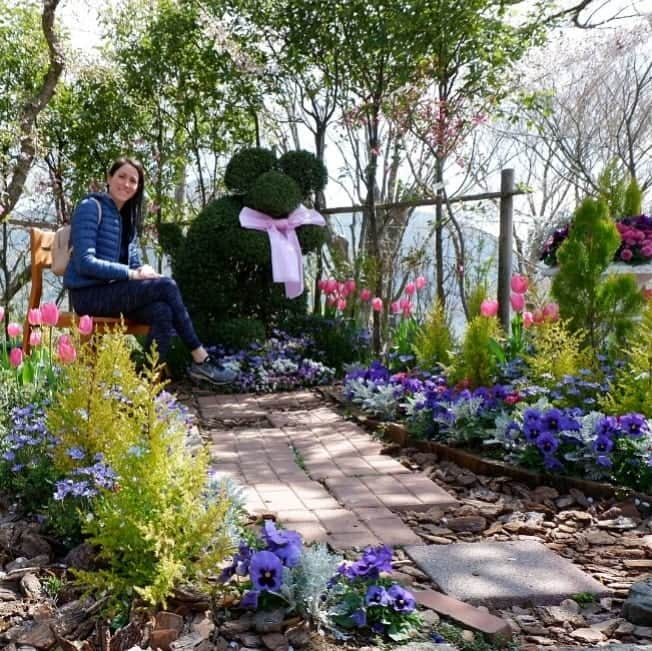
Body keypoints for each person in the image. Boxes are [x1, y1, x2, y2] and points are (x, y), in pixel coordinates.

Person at [63, 156, 235, 385]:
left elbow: (133, 264)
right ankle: (200, 358)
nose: (126, 184)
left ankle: (145, 387)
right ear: (109, 178)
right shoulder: (90, 207)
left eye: (133, 181)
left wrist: (142, 268)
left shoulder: (128, 219)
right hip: (88, 296)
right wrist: (131, 274)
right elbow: (85, 262)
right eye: (121, 176)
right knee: (167, 285)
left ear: (138, 188)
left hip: (115, 296)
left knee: (162, 310)